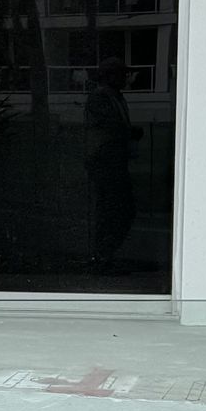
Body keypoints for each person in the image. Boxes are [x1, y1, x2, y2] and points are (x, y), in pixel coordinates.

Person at [84, 56, 136, 272]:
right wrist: (129, 134)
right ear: (110, 76)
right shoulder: (102, 97)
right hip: (106, 159)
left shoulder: (113, 96)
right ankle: (102, 256)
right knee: (115, 209)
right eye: (121, 74)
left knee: (115, 209)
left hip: (111, 158)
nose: (125, 78)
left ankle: (104, 255)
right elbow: (110, 125)